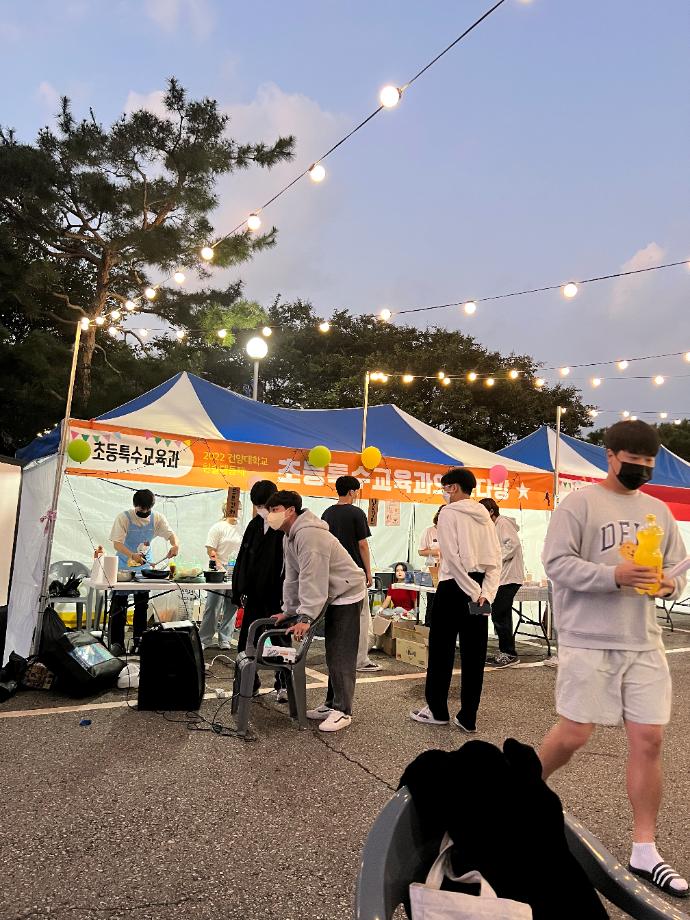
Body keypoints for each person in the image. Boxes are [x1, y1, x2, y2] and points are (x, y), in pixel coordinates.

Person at [538, 420, 688, 898]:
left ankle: (645, 848)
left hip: (644, 640)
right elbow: (555, 563)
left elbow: (676, 570)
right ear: (610, 456)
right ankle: (515, 794)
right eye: (632, 461)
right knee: (574, 734)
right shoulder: (579, 503)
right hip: (588, 637)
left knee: (649, 740)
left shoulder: (658, 511)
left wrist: (669, 585)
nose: (640, 469)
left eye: (647, 463)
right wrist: (614, 575)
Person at [411, 468, 501, 731]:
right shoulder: (485, 516)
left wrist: (472, 590)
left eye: (446, 487)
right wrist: (485, 593)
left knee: (442, 650)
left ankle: (438, 710)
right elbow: (495, 560)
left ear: (454, 487)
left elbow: (451, 557)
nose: (444, 492)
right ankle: (468, 716)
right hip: (481, 589)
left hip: (453, 587)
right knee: (475, 654)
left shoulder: (448, 513)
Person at [268, 490, 366, 733]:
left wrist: (306, 617)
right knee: (333, 651)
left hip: (347, 592)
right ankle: (331, 704)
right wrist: (289, 610)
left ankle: (343, 711)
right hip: (332, 593)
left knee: (340, 652)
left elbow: (313, 578)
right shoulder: (289, 536)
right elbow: (292, 577)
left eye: (274, 510)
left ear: (290, 510)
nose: (270, 515)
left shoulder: (309, 535)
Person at [231, 480, 288, 700]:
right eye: (258, 506)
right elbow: (243, 558)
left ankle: (284, 684)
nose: (262, 510)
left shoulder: (284, 527)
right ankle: (249, 683)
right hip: (254, 594)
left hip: (278, 595)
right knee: (248, 640)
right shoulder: (254, 525)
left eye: (265, 505)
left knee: (281, 639)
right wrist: (239, 589)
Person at [109, 489, 179, 657]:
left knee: (142, 605)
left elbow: (171, 535)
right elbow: (117, 544)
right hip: (124, 566)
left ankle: (139, 642)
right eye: (142, 509)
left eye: (148, 509)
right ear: (135, 505)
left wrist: (175, 545)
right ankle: (116, 644)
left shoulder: (157, 518)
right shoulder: (124, 518)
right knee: (119, 606)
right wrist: (132, 555)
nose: (145, 511)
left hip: (144, 566)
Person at [321, 476, 380, 673]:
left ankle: (336, 657)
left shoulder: (327, 513)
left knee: (336, 616)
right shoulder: (356, 513)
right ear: (352, 492)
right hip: (353, 573)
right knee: (360, 617)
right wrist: (368, 571)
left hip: (332, 572)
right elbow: (362, 544)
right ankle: (360, 660)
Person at [479, 498, 525, 668]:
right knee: (501, 613)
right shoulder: (493, 526)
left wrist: (495, 559)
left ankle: (509, 653)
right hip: (502, 578)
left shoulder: (503, 523)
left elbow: (513, 544)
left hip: (509, 577)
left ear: (491, 511)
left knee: (499, 612)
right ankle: (506, 651)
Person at [199, 500, 243, 650]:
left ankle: (225, 638)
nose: (237, 511)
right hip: (218, 572)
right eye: (235, 508)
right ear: (226, 509)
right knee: (213, 606)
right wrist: (219, 565)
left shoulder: (242, 528)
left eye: (239, 508)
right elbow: (210, 549)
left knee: (232, 606)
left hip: (235, 571)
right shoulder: (218, 527)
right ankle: (204, 638)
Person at [418, 510, 441, 626]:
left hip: (448, 572)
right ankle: (428, 626)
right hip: (432, 571)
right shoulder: (429, 531)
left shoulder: (453, 531)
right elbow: (421, 551)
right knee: (432, 601)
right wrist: (437, 552)